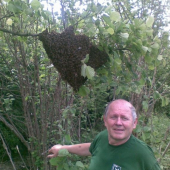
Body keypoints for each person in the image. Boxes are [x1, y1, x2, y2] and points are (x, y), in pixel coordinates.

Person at [48, 99, 161, 170]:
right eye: (113, 117)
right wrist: (63, 148)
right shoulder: (102, 137)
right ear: (105, 120)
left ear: (134, 123)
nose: (118, 123)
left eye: (124, 118)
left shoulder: (142, 153)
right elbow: (90, 147)